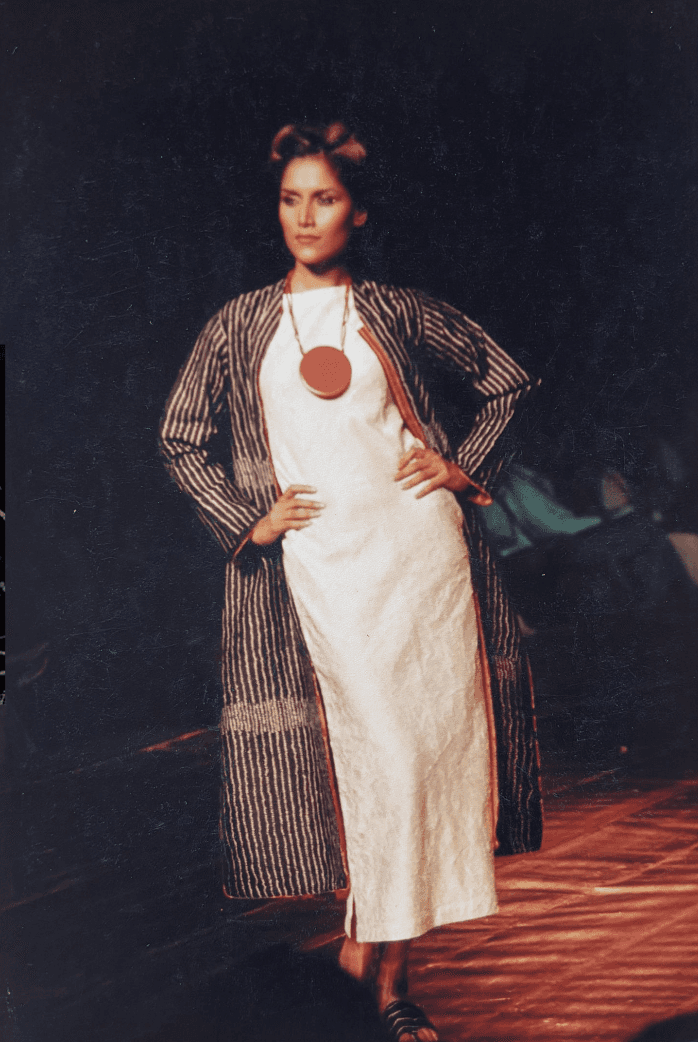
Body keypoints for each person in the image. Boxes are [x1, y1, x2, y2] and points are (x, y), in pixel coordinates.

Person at [159, 122, 542, 1042]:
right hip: (318, 575)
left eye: (324, 198)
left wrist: (458, 467)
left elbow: (507, 382)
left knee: (413, 769)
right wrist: (246, 521)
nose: (304, 216)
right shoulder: (240, 325)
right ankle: (363, 960)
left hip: (419, 563)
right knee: (377, 765)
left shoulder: (398, 310)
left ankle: (387, 984)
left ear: (357, 212)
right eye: (290, 198)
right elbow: (180, 436)